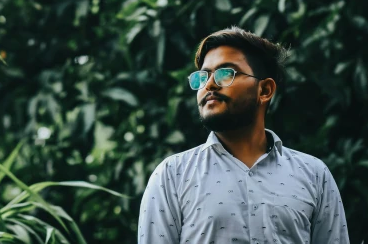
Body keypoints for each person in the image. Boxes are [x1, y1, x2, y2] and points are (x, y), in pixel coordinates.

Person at [138, 27, 349, 244]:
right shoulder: (172, 176)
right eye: (203, 76)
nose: (209, 84)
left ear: (265, 90)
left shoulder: (314, 175)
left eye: (225, 73)